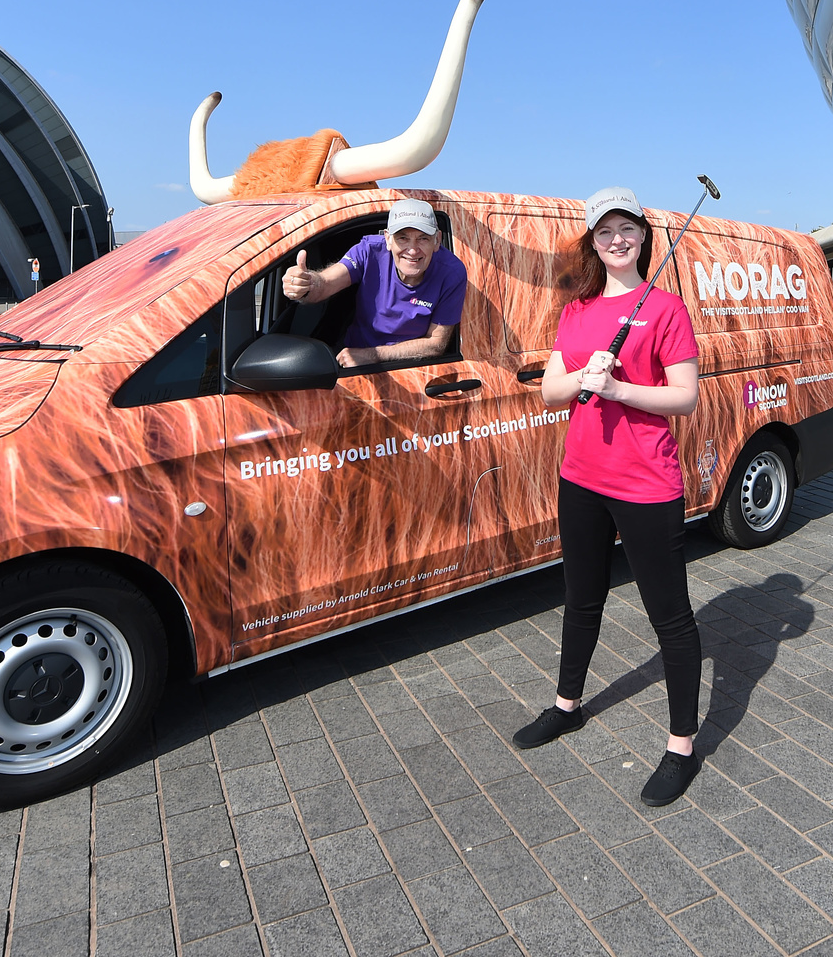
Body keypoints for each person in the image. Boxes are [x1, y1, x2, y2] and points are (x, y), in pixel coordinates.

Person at [511, 186, 705, 807]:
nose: (616, 240)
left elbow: (684, 397)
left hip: (646, 484)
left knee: (669, 617)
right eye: (604, 231)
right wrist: (582, 375)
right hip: (581, 478)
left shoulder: (666, 309)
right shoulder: (577, 310)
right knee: (581, 599)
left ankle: (681, 745)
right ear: (592, 242)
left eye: (626, 228)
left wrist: (619, 389)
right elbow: (551, 392)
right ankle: (566, 705)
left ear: (643, 236)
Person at [281, 198, 468, 368]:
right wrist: (306, 284)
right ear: (388, 239)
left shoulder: (451, 272)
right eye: (403, 238)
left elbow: (435, 344)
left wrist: (374, 355)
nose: (412, 250)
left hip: (411, 368)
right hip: (353, 357)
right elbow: (326, 283)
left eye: (423, 238)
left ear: (437, 240)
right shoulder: (369, 251)